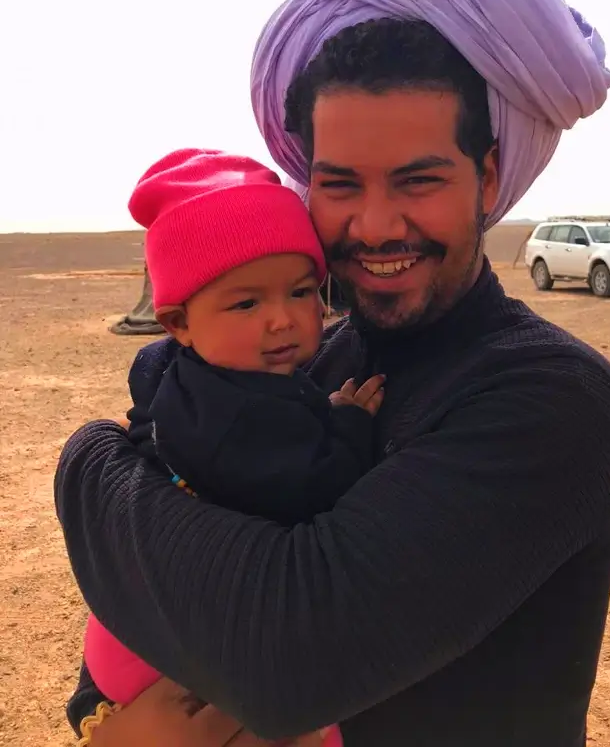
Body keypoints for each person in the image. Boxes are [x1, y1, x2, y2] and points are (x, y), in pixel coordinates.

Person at [56, 0, 610, 747]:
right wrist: (102, 722)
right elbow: (152, 595)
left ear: (491, 175)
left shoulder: (551, 396)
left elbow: (290, 654)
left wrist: (86, 462)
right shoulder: (316, 355)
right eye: (339, 185)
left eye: (418, 180)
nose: (375, 224)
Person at [76, 148, 384, 747]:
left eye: (300, 292)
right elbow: (315, 486)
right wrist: (348, 423)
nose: (284, 320)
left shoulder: (175, 375)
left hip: (125, 626)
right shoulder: (242, 413)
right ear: (177, 322)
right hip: (166, 662)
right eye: (246, 302)